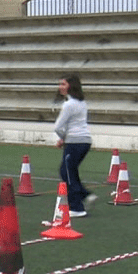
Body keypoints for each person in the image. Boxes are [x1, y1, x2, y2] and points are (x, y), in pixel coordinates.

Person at [54, 73, 96, 217]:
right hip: (85, 141)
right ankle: (85, 195)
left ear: (71, 86)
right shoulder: (81, 103)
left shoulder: (68, 104)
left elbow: (58, 127)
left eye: (63, 84)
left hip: (75, 142)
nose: (60, 87)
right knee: (70, 171)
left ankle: (77, 207)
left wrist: (63, 138)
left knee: (65, 172)